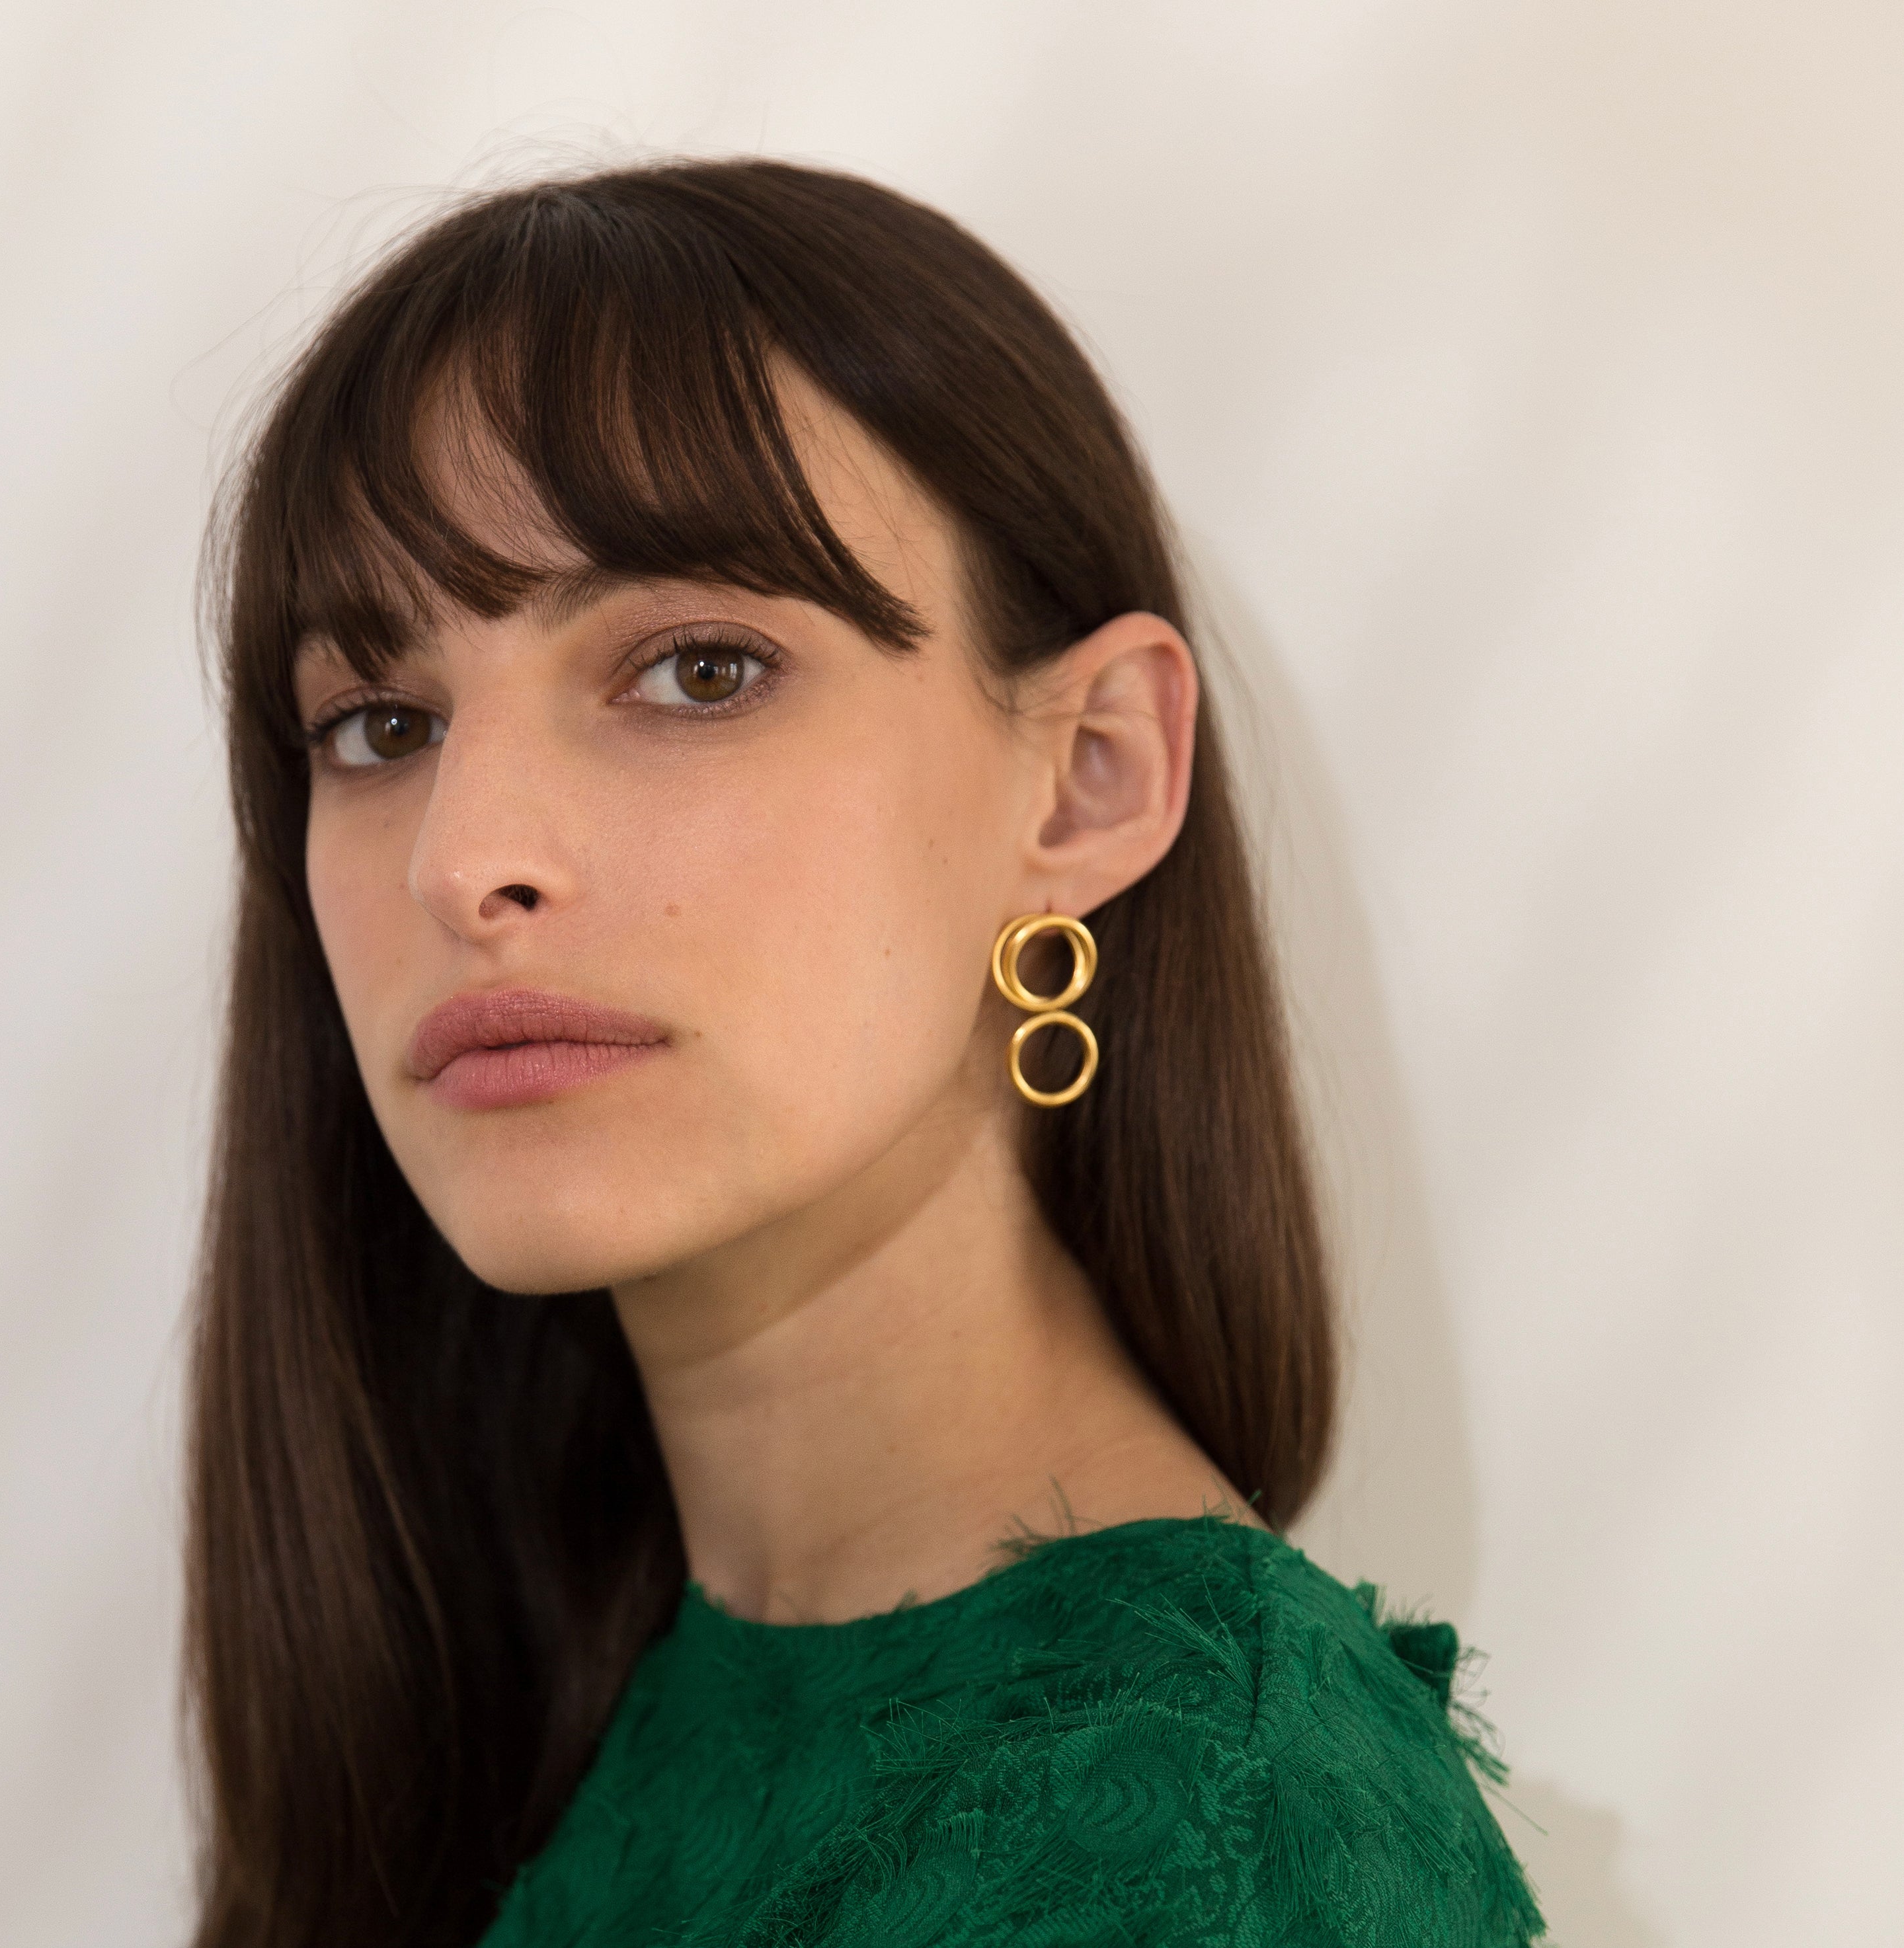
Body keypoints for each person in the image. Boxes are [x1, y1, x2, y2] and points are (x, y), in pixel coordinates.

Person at [185, 157, 1544, 1948]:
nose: (463, 857)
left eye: (697, 670)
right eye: (378, 723)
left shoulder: (1204, 1831)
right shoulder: (536, 1696)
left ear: (1088, 774)